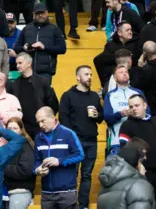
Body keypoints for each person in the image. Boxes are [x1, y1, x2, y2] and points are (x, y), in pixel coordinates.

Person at [58, 66, 103, 209]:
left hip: (91, 141)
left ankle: (83, 205)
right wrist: (71, 140)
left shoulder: (95, 96)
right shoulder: (68, 95)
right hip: (74, 142)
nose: (89, 77)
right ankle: (71, 205)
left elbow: (101, 118)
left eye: (90, 74)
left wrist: (97, 115)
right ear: (78, 77)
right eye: (86, 74)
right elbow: (63, 120)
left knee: (87, 175)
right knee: (72, 174)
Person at [120, 94, 156, 206]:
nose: (134, 109)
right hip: (139, 177)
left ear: (144, 105)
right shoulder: (126, 126)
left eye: (137, 105)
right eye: (131, 106)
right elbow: (126, 153)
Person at [33, 107, 84, 208]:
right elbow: (37, 160)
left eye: (43, 121)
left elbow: (80, 155)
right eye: (38, 122)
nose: (40, 125)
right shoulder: (38, 138)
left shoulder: (68, 134)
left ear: (53, 118)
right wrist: (37, 170)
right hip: (47, 194)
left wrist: (59, 161)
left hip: (66, 193)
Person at [13, 3, 67, 84]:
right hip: (27, 70)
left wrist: (44, 47)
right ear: (33, 15)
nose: (40, 15)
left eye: (42, 13)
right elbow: (16, 47)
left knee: (42, 96)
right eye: (38, 13)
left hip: (45, 72)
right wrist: (24, 48)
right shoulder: (27, 28)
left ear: (47, 13)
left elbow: (62, 48)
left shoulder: (54, 29)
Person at [10, 53, 58, 138]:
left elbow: (53, 104)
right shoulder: (15, 84)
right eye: (16, 63)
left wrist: (45, 121)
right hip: (22, 128)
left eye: (20, 63)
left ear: (29, 63)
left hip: (40, 127)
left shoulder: (42, 81)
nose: (17, 66)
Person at [103, 65, 146, 155]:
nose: (124, 74)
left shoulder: (137, 92)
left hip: (139, 140)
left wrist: (136, 113)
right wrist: (120, 114)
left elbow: (148, 112)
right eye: (121, 72)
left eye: (126, 72)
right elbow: (107, 118)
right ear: (114, 77)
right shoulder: (110, 95)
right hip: (117, 141)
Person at [3, 118, 36, 209]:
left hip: (20, 192)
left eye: (15, 128)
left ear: (21, 131)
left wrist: (2, 167)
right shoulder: (6, 147)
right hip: (5, 192)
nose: (12, 131)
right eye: (9, 129)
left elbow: (25, 170)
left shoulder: (26, 146)